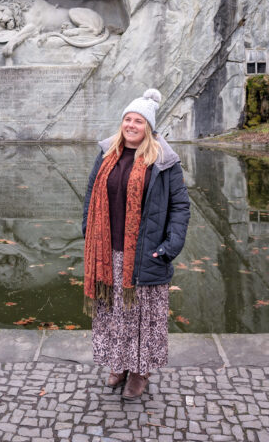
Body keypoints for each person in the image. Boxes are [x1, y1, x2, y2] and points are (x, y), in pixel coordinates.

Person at [82, 88, 190, 401]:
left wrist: (171, 246)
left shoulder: (164, 161)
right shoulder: (106, 153)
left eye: (138, 121)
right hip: (108, 252)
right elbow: (91, 193)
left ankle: (140, 372)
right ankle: (118, 364)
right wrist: (89, 230)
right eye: (127, 119)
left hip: (146, 255)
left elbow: (180, 206)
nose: (131, 125)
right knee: (115, 315)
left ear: (149, 128)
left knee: (142, 318)